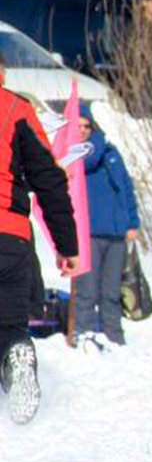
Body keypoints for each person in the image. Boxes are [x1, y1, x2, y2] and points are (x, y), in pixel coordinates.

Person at [0, 60, 79, 423]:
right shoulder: (17, 108)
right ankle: (16, 351)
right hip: (11, 238)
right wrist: (67, 245)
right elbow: (49, 180)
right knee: (10, 324)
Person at [69, 103, 141, 347]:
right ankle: (84, 330)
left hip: (116, 232)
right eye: (77, 126)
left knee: (111, 291)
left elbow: (126, 189)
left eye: (86, 126)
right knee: (87, 289)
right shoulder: (75, 155)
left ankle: (114, 334)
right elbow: (88, 160)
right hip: (88, 232)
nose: (82, 130)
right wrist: (97, 141)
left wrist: (132, 222)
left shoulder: (111, 153)